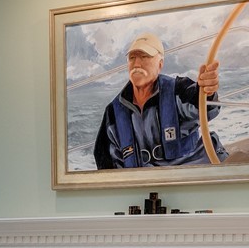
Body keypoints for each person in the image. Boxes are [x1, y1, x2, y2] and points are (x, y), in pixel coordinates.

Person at [93, 32, 227, 169]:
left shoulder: (178, 90)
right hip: (150, 183)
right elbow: (105, 163)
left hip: (195, 169)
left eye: (144, 57)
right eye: (132, 58)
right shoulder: (113, 112)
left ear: (160, 64)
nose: (137, 64)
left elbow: (205, 106)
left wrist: (207, 91)